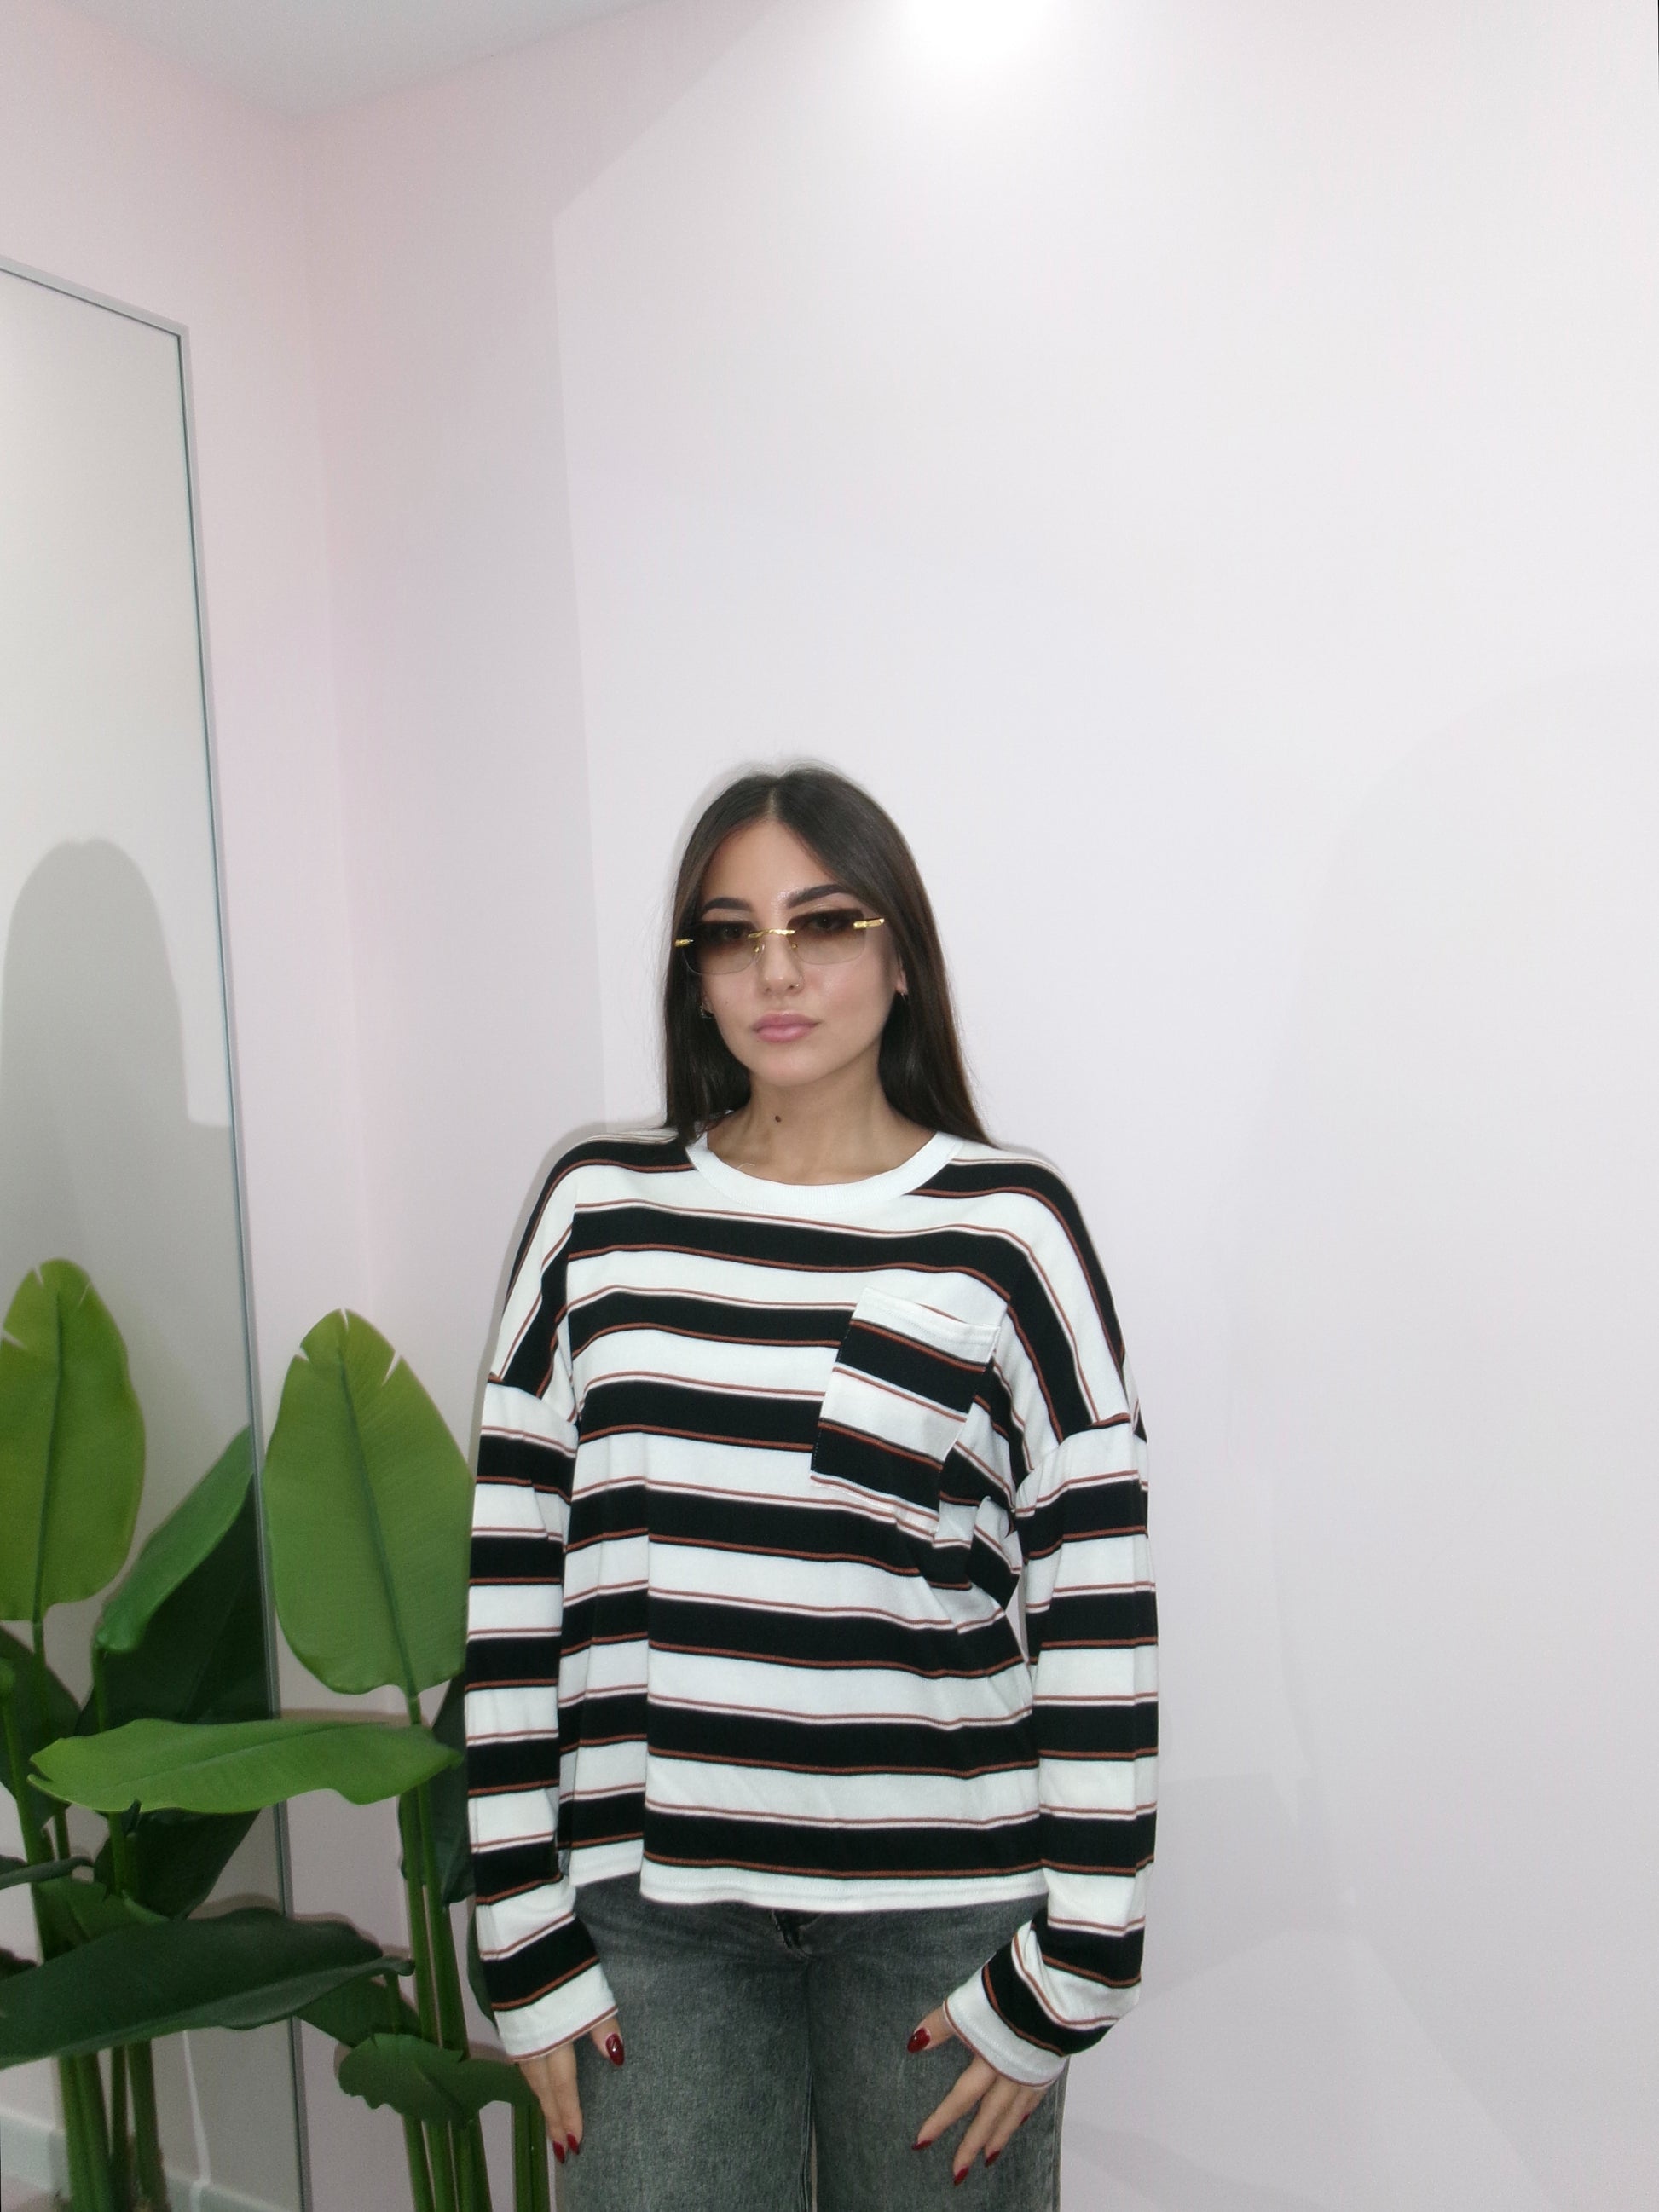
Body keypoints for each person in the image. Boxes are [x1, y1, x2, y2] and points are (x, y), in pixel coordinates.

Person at [464, 765, 1157, 2209]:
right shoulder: (598, 1212)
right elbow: (516, 1570)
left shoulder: (1007, 1231)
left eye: (823, 923)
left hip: (941, 1928)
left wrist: (1079, 1957)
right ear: (696, 976)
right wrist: (519, 1925)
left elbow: (1095, 1598)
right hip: (652, 1922)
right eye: (731, 935)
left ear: (901, 957)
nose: (774, 970)